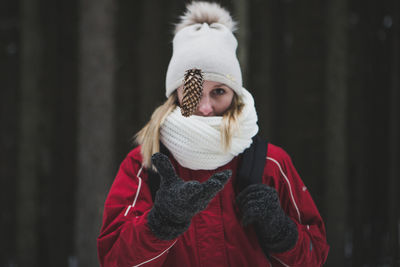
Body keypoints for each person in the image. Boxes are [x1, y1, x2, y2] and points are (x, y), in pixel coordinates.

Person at [97, 2, 329, 266]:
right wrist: (161, 223)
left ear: (234, 94)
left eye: (218, 91)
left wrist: (280, 230)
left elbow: (315, 255)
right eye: (193, 91)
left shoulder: (270, 163)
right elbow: (113, 259)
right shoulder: (145, 163)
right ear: (176, 95)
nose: (205, 108)